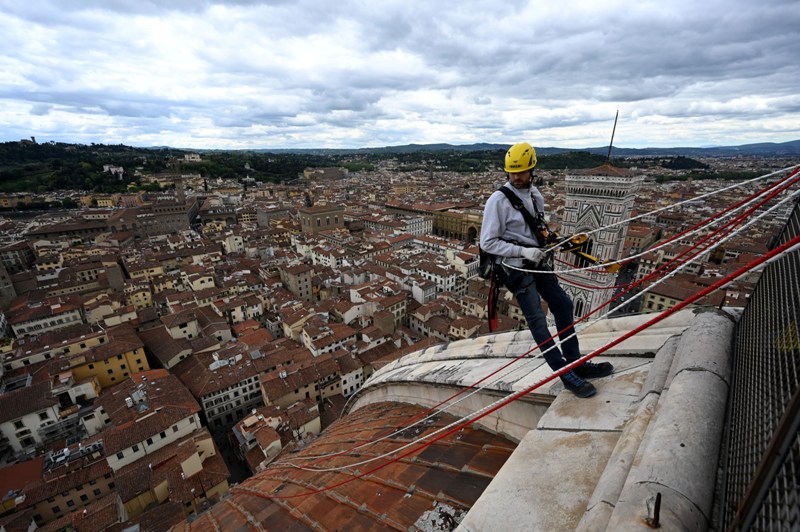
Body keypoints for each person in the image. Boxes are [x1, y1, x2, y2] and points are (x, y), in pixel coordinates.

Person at [479, 142, 613, 398]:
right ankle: (566, 374)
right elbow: (487, 242)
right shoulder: (498, 201)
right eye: (511, 173)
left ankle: (576, 362)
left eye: (521, 172)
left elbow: (537, 230)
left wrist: (553, 241)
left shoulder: (535, 196)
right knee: (538, 323)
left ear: (532, 170)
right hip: (515, 269)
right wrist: (523, 251)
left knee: (563, 304)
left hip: (539, 264)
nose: (516, 178)